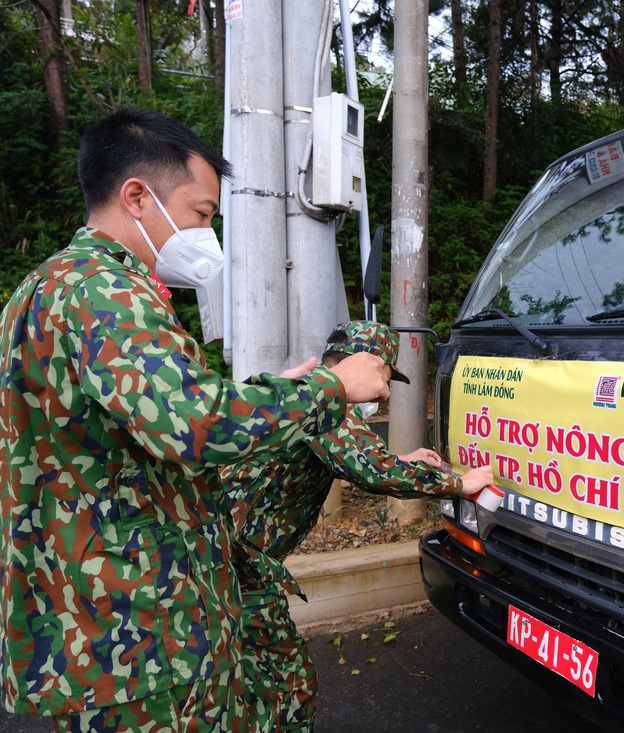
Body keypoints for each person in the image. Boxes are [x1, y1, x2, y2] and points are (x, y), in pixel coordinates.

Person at [0, 108, 391, 732]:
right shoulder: (106, 293)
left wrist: (272, 390)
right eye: (202, 214)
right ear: (137, 196)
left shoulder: (44, 287)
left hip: (94, 622)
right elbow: (193, 426)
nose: (206, 232)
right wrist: (333, 386)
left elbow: (142, 415)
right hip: (141, 635)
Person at [220, 321, 494, 731]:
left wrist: (402, 462)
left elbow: (357, 459)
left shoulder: (307, 392)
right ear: (368, 362)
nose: (385, 391)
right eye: (386, 376)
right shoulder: (326, 402)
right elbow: (372, 472)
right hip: (237, 565)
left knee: (237, 672)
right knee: (286, 684)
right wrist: (461, 483)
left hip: (224, 556)